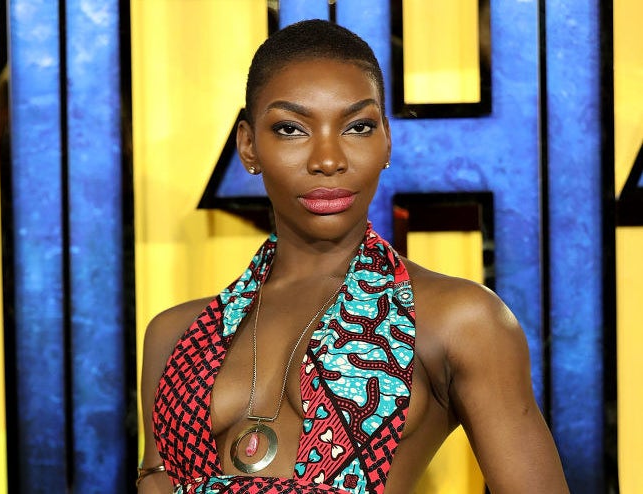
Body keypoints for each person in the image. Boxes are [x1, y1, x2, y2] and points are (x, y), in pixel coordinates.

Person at [137, 19, 569, 494]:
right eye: (291, 129)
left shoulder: (460, 319)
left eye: (358, 126)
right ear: (248, 145)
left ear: (386, 138)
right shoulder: (174, 335)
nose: (328, 159)